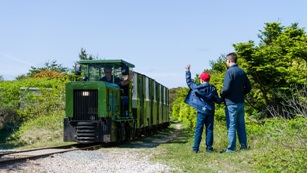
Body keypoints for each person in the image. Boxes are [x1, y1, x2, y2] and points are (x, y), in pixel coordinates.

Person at [184, 64, 222, 153]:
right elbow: (217, 100)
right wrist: (224, 97)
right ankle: (209, 148)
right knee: (209, 130)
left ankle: (195, 149)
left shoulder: (197, 88)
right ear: (209, 80)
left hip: (201, 111)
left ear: (201, 80)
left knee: (198, 130)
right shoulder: (213, 89)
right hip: (210, 111)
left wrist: (188, 71)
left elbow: (189, 83)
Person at [220, 52, 252, 153]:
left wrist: (221, 94)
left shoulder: (229, 72)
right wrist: (242, 93)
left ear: (229, 61)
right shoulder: (242, 71)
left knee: (232, 125)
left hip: (231, 103)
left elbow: (226, 88)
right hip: (240, 102)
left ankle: (231, 149)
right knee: (241, 125)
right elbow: (249, 87)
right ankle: (243, 146)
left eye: (226, 61)